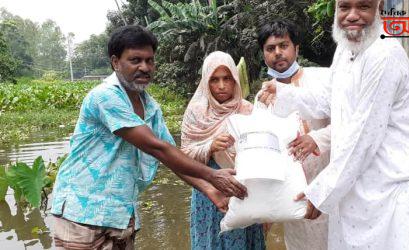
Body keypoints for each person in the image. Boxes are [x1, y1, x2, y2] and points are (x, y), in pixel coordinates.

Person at [50, 26, 247, 250]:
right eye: (135, 60)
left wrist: (209, 190)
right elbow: (157, 148)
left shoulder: (150, 106)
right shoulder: (104, 96)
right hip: (82, 213)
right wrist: (212, 176)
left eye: (149, 60)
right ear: (116, 62)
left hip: (121, 214)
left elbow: (172, 157)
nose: (145, 67)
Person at [259, 0, 409, 249]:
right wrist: (283, 93)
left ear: (379, 7)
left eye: (363, 7)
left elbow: (364, 136)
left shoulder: (384, 54)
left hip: (389, 194)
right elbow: (328, 100)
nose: (352, 16)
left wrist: (320, 193)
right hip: (355, 193)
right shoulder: (345, 50)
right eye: (344, 7)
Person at [257, 19, 331, 250]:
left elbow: (351, 126)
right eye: (270, 48)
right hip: (294, 195)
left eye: (283, 45)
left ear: (296, 48)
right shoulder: (263, 98)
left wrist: (316, 139)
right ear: (263, 54)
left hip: (331, 185)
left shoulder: (323, 79)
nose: (278, 53)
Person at [180, 51, 265, 250]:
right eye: (214, 80)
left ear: (235, 79)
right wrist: (209, 146)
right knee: (211, 238)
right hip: (208, 192)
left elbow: (262, 150)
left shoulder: (247, 110)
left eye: (227, 78)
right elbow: (183, 156)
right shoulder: (196, 112)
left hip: (243, 189)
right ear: (205, 82)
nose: (221, 86)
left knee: (245, 237)